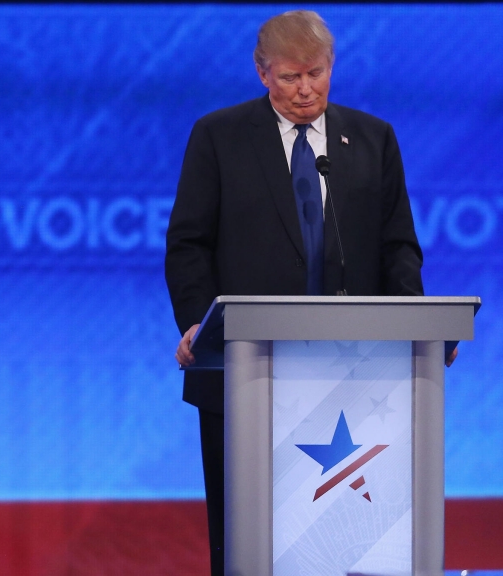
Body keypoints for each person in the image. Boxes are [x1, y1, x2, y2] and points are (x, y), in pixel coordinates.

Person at [164, 11, 427, 575]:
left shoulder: (373, 138)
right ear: (262, 73)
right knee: (246, 543)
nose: (306, 89)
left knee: (351, 542)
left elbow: (397, 246)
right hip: (244, 371)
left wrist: (417, 326)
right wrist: (195, 323)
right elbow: (188, 244)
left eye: (316, 73)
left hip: (357, 374)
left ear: (331, 66)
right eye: (289, 77)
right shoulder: (219, 136)